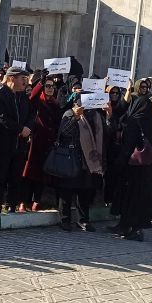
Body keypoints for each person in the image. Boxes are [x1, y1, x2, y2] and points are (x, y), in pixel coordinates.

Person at [108, 79, 152, 241]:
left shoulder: (134, 120)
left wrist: (119, 162)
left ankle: (133, 230)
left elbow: (128, 145)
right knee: (140, 198)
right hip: (147, 166)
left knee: (130, 197)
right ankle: (126, 226)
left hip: (133, 166)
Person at [54, 96, 105, 231]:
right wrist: (75, 118)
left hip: (88, 161)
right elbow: (64, 132)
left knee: (85, 191)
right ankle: (65, 219)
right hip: (71, 158)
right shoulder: (69, 114)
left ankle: (83, 220)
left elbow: (107, 132)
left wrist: (109, 114)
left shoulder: (95, 116)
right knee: (66, 190)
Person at [0, 66, 33, 214]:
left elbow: (31, 114)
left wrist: (28, 127)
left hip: (20, 144)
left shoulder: (22, 96)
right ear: (12, 78)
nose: (25, 82)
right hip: (3, 143)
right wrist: (19, 129)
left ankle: (11, 204)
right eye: (22, 79)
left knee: (15, 176)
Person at [22, 77, 61, 212]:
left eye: (52, 86)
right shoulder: (38, 101)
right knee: (28, 173)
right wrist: (40, 82)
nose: (50, 88)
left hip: (48, 143)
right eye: (47, 86)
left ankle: (36, 201)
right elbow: (32, 96)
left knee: (42, 174)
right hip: (35, 142)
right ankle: (23, 201)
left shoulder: (56, 103)